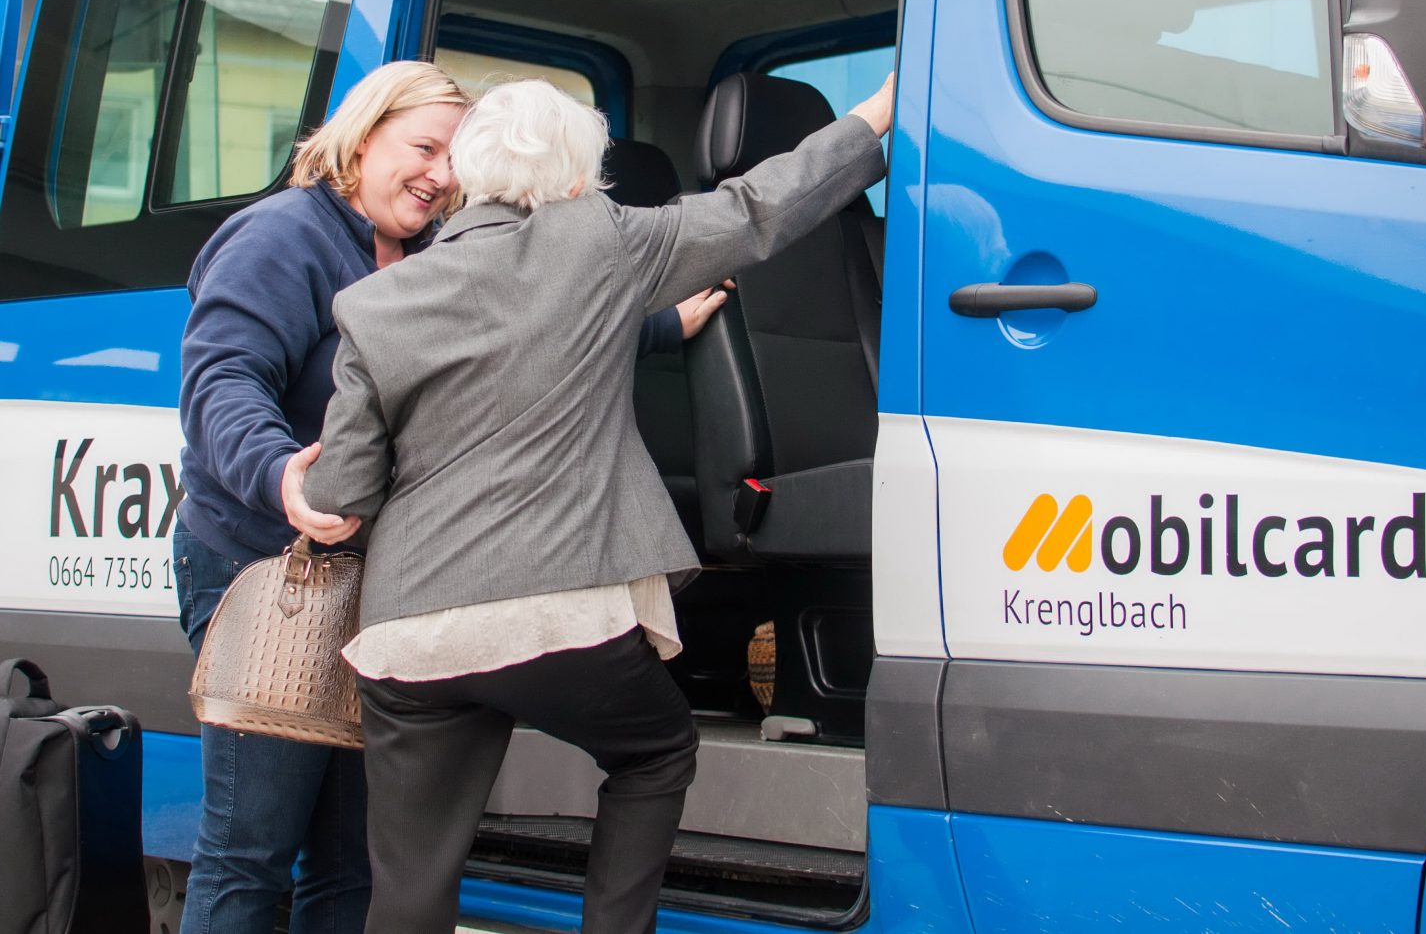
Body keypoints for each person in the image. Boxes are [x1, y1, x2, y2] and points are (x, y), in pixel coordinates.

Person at [294, 72, 895, 934]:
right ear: (577, 179)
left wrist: (312, 490)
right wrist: (871, 118)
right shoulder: (602, 239)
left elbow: (343, 497)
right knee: (655, 751)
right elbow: (758, 207)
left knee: (412, 881)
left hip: (410, 634)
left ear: (463, 173)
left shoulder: (375, 303)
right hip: (549, 618)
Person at [175, 61, 721, 934]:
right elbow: (221, 380)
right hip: (273, 571)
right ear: (361, 138)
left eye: (453, 156)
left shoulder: (430, 248)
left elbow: (505, 325)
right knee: (254, 848)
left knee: (355, 858)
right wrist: (281, 472)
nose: (439, 174)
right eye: (421, 148)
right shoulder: (281, 237)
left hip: (382, 582)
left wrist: (657, 322)